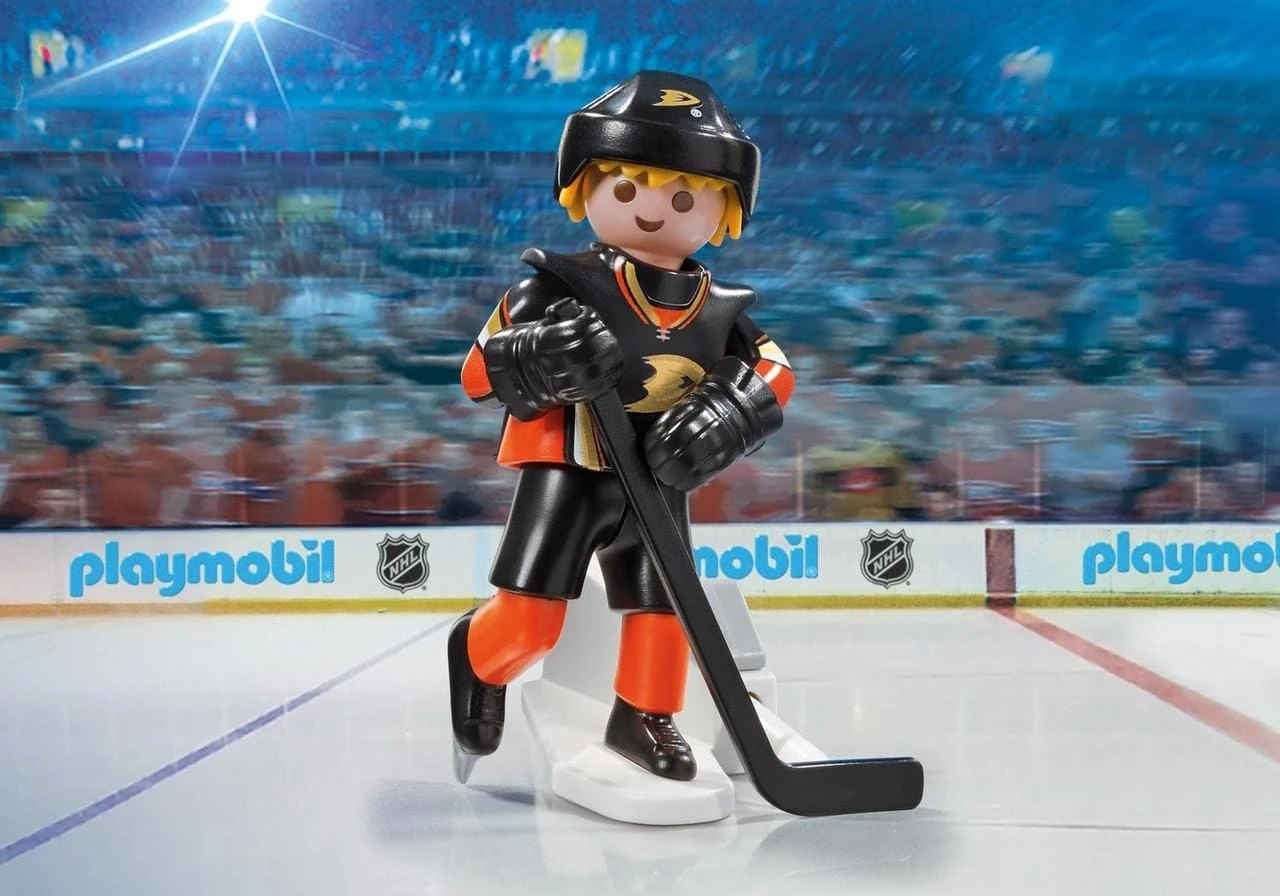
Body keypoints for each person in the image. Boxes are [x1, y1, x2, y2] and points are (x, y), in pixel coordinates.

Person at [450, 71, 795, 782]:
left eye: (683, 197)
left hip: (662, 474)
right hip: (571, 472)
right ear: (584, 186)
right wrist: (537, 354)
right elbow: (477, 373)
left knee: (663, 606)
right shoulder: (555, 287)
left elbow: (773, 369)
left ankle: (644, 714)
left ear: (724, 211)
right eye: (628, 189)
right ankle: (478, 655)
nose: (653, 210)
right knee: (530, 624)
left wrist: (729, 410)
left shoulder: (719, 308)